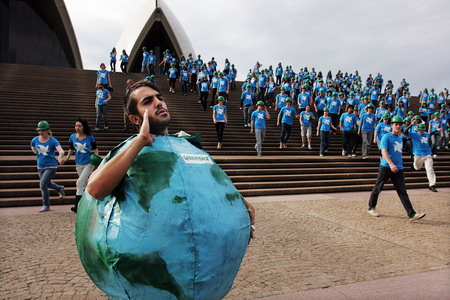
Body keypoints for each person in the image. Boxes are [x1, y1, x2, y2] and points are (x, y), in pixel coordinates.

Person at [367, 116, 426, 222]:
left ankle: (411, 214)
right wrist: (390, 164)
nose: (398, 126)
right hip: (386, 167)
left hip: (399, 168)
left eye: (400, 124)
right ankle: (371, 207)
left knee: (402, 192)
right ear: (392, 125)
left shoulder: (400, 137)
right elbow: (384, 151)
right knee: (378, 188)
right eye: (396, 124)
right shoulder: (387, 137)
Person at [62, 119, 99, 212]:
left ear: (84, 127)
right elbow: (71, 148)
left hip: (89, 162)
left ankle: (77, 207)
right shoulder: (72, 137)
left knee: (79, 182)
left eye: (79, 126)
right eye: (76, 126)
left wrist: (97, 160)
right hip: (78, 163)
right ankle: (91, 204)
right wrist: (67, 157)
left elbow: (95, 149)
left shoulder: (90, 137)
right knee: (85, 183)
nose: (77, 128)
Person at [31, 121, 65, 212]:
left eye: (43, 131)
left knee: (42, 185)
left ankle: (46, 205)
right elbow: (33, 148)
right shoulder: (35, 140)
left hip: (51, 166)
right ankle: (59, 188)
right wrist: (38, 154)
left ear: (47, 130)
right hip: (40, 166)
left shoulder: (53, 140)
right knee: (47, 183)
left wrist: (60, 157)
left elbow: (61, 151)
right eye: (39, 131)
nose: (41, 133)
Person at [405, 123, 438, 192]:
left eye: (422, 130)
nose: (421, 131)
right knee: (417, 168)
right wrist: (411, 125)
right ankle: (414, 165)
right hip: (418, 155)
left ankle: (432, 185)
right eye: (420, 130)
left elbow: (430, 133)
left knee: (430, 169)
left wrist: (436, 130)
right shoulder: (414, 134)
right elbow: (405, 132)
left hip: (427, 154)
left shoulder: (426, 134)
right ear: (418, 130)